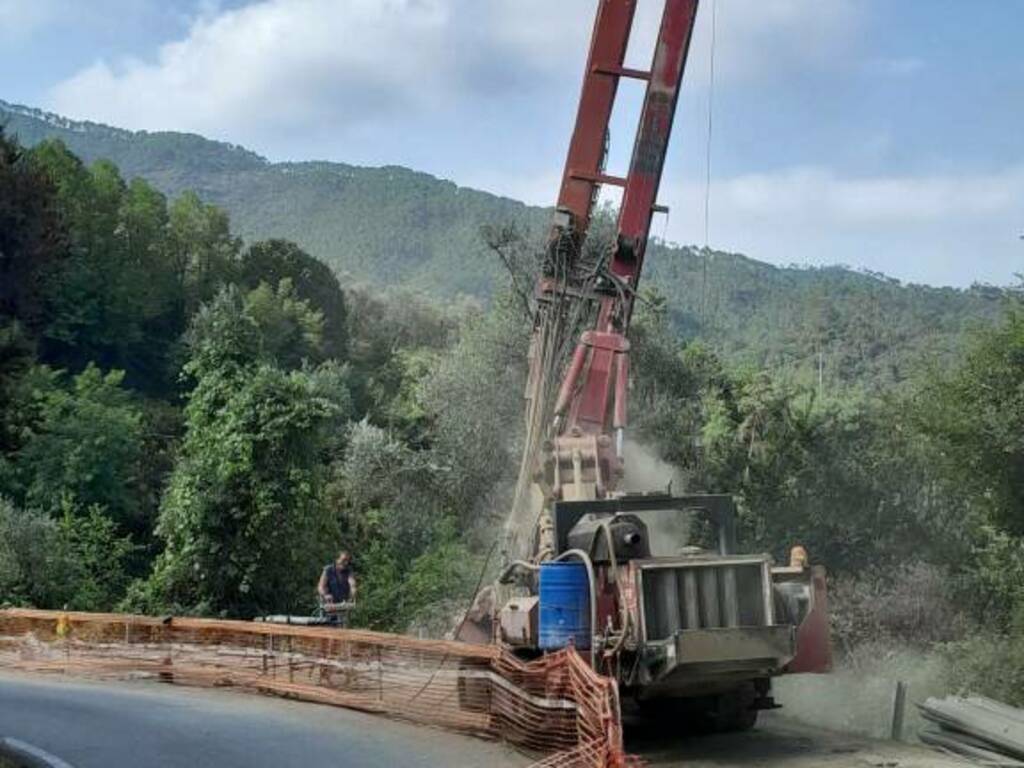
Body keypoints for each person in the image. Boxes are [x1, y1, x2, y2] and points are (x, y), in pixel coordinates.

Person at [318, 550, 356, 626]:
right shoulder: (328, 570)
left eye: (347, 561)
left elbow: (352, 583)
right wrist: (325, 595)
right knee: (329, 627)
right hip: (329, 604)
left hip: (342, 605)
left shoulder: (348, 571)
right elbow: (320, 587)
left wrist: (353, 591)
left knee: (344, 627)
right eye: (343, 560)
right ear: (337, 560)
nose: (346, 563)